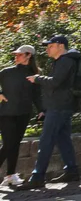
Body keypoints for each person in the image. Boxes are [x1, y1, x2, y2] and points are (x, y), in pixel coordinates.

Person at [19, 36, 80, 189]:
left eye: (50, 46)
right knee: (63, 138)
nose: (47, 49)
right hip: (63, 105)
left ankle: (38, 177)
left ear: (60, 46)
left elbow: (55, 82)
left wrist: (37, 78)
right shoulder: (64, 60)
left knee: (46, 140)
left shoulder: (65, 61)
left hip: (59, 107)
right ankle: (72, 171)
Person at [0, 46, 38, 187]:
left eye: (19, 54)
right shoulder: (6, 72)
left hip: (24, 114)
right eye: (15, 54)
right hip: (6, 113)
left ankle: (10, 175)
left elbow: (36, 95)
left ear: (28, 56)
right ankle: (10, 175)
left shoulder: (34, 74)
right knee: (9, 144)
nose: (16, 56)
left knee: (13, 145)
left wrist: (42, 110)